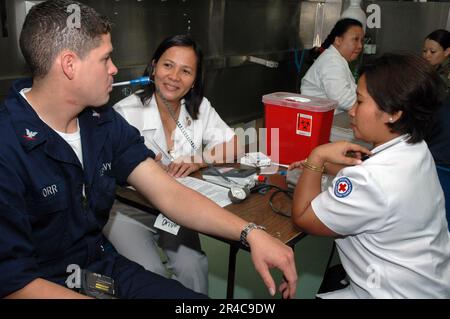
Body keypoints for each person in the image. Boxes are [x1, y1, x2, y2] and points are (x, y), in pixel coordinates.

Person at [0, 0, 297, 299]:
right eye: (105, 59)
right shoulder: (7, 146)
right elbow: (15, 283)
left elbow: (169, 193)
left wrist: (251, 232)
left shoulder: (102, 122)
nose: (114, 68)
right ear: (69, 65)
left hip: (100, 268)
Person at [290, 53, 450, 298]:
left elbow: (303, 217)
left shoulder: (372, 180)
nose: (352, 111)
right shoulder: (416, 149)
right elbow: (378, 185)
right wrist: (327, 169)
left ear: (394, 113)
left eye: (359, 101)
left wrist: (317, 157)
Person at [103, 34, 239, 295]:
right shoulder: (125, 112)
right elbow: (107, 170)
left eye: (186, 71)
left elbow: (233, 145)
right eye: (168, 65)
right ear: (154, 67)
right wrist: (138, 170)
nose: (174, 77)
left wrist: (199, 160)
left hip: (177, 209)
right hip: (129, 212)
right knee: (149, 274)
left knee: (194, 266)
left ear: (195, 80)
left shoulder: (199, 108)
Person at [300, 18, 364, 113]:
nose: (360, 46)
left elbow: (350, 91)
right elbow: (344, 100)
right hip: (318, 120)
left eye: (361, 41)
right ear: (338, 40)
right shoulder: (331, 62)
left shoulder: (336, 59)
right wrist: (369, 105)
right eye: (355, 39)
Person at [423, 29, 450, 167]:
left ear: (447, 51)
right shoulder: (434, 72)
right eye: (424, 51)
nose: (427, 55)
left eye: (432, 52)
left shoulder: (442, 78)